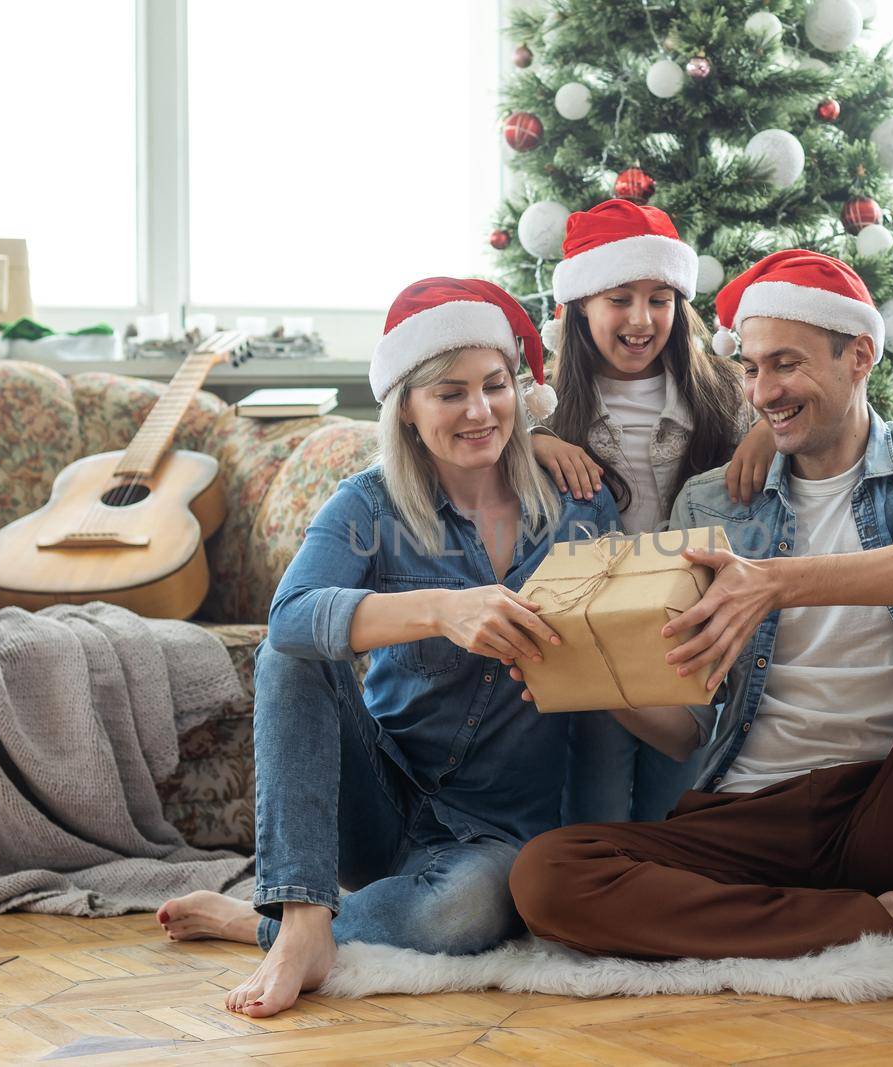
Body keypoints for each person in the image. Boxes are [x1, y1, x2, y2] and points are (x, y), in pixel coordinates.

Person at [509, 251, 893, 1054]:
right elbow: (683, 725)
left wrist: (778, 581)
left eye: (787, 364)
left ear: (860, 356)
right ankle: (880, 919)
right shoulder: (714, 500)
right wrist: (583, 672)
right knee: (548, 877)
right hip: (752, 808)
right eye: (750, 366)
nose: (764, 390)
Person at [157, 277, 618, 1019]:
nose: (479, 411)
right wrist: (441, 609)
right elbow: (291, 619)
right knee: (290, 655)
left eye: (496, 386)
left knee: (463, 914)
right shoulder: (368, 503)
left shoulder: (580, 505)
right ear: (406, 405)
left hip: (498, 831)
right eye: (449, 393)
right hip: (380, 795)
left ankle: (271, 922)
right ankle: (307, 915)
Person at [529, 198, 775, 822]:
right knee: (599, 803)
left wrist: (768, 428)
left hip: (690, 627)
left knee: (678, 811)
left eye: (660, 299)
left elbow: (808, 414)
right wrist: (534, 442)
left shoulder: (725, 392)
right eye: (619, 299)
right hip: (594, 625)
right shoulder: (545, 408)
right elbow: (483, 456)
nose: (642, 319)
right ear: (581, 306)